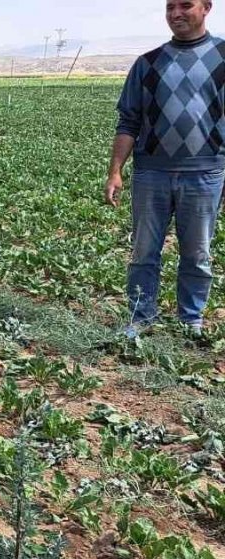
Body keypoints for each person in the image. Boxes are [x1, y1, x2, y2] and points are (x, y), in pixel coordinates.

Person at [107, 0, 225, 339]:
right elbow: (128, 122)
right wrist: (115, 171)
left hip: (206, 173)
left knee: (197, 252)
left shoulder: (222, 57)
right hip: (151, 173)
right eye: (170, 7)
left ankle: (191, 321)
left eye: (185, 5)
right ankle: (140, 318)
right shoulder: (148, 63)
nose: (176, 14)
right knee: (144, 251)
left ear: (206, 8)